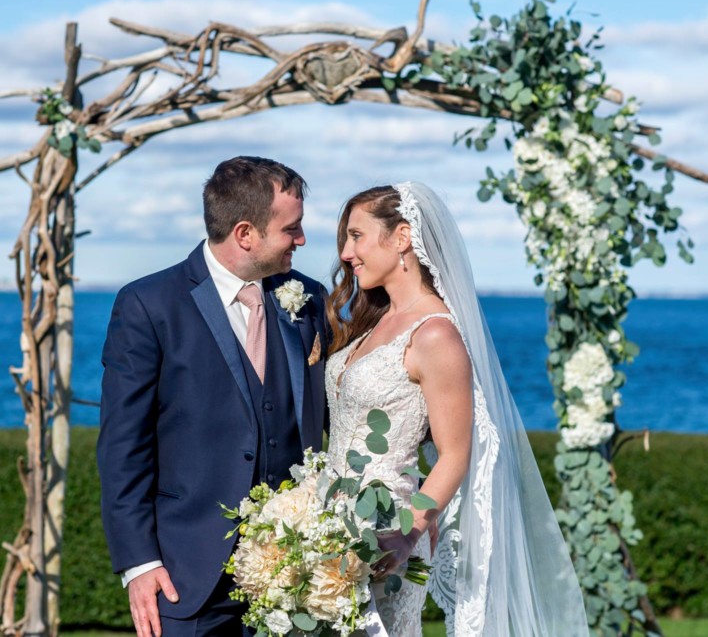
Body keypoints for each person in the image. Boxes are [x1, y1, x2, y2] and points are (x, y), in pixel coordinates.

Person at [325, 183, 589, 636]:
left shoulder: (434, 335)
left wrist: (409, 531)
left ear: (402, 236)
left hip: (384, 529)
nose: (347, 253)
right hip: (327, 519)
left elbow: (454, 454)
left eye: (357, 236)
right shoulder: (375, 320)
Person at [97, 156, 329, 637]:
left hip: (293, 576)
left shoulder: (309, 300)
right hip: (186, 577)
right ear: (246, 233)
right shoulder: (148, 304)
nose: (302, 240)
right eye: (292, 228)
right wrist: (139, 563)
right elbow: (123, 446)